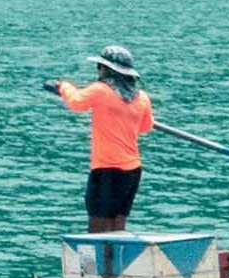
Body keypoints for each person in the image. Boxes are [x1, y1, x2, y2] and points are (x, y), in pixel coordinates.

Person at [50, 46, 157, 230]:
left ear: (106, 70)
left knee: (98, 226)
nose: (98, 71)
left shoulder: (100, 90)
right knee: (118, 224)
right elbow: (146, 127)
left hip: (107, 168)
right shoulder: (142, 98)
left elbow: (76, 102)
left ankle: (100, 259)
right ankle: (117, 258)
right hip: (132, 171)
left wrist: (63, 87)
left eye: (99, 66)